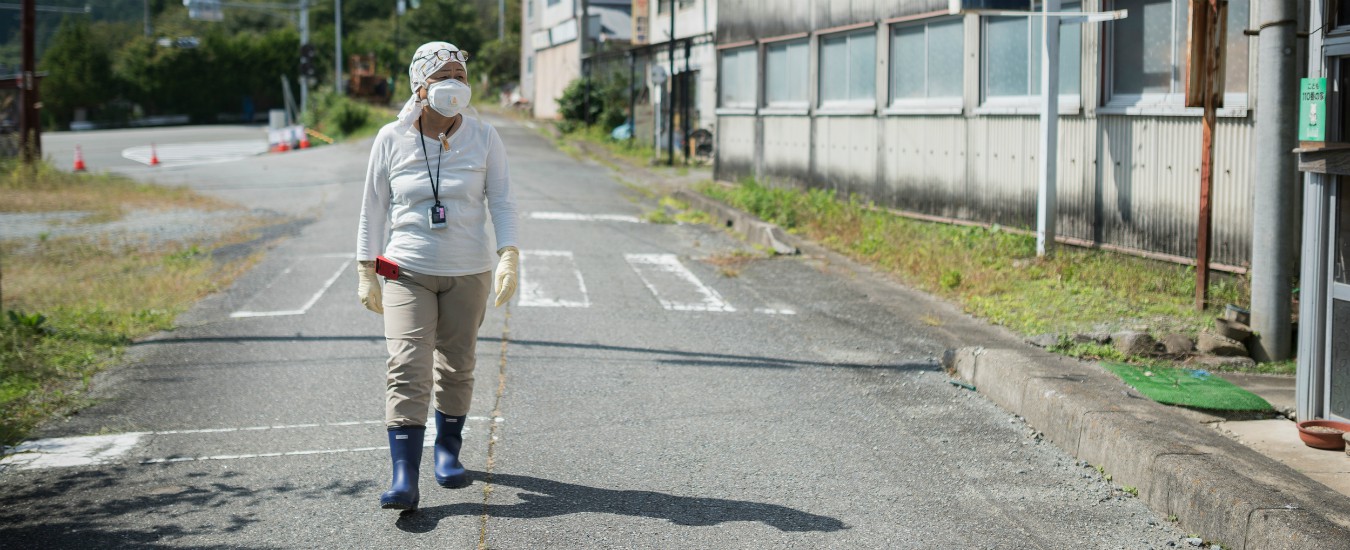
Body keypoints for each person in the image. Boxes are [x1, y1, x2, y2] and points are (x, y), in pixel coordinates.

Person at [355, 41, 520, 512]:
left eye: (461, 76)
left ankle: (447, 452)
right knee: (406, 365)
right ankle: (404, 474)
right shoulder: (391, 138)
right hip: (406, 269)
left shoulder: (486, 137)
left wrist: (509, 253)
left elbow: (503, 201)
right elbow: (372, 209)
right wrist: (367, 268)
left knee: (458, 362)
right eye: (444, 75)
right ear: (420, 85)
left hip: (469, 271)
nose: (455, 84)